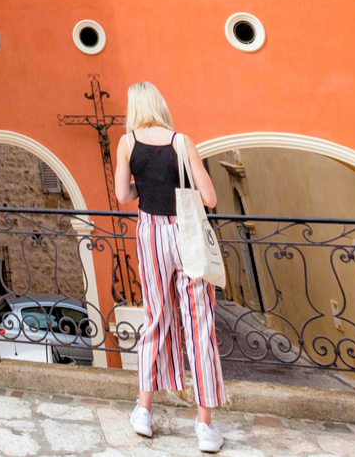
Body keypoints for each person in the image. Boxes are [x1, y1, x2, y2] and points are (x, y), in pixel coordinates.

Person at [114, 81, 224, 454]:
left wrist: (142, 184)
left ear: (134, 107)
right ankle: (205, 426)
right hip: (186, 235)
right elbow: (209, 197)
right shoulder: (182, 142)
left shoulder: (127, 143)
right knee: (200, 325)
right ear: (160, 105)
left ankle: (143, 410)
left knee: (156, 317)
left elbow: (122, 195)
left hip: (151, 236)